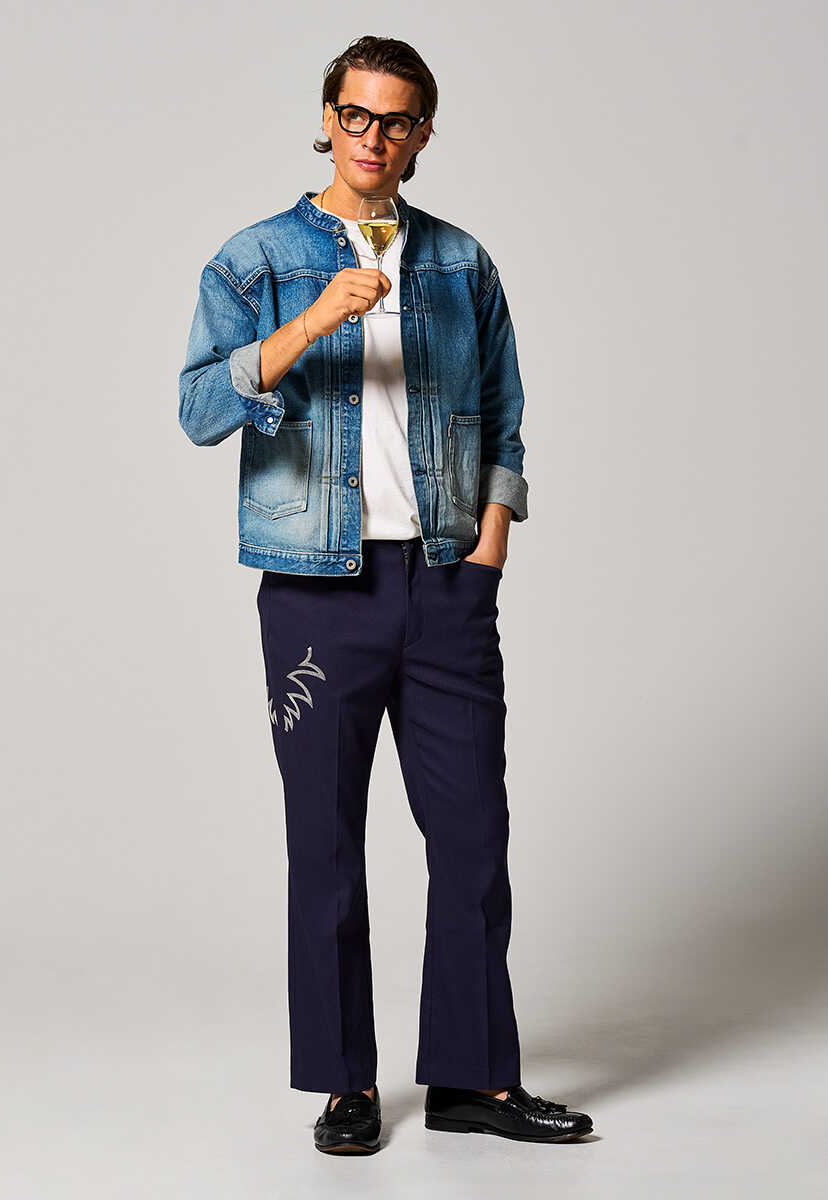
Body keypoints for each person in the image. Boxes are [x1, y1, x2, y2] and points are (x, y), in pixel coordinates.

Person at [178, 34, 594, 1155]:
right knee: (324, 843)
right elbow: (200, 410)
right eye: (355, 116)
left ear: (422, 134)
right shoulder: (257, 259)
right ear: (328, 119)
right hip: (317, 594)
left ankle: (471, 1079)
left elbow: (505, 415)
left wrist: (488, 549)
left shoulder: (460, 263)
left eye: (396, 120)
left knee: (473, 839)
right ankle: (344, 1085)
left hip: (446, 582)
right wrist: (312, 322)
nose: (373, 137)